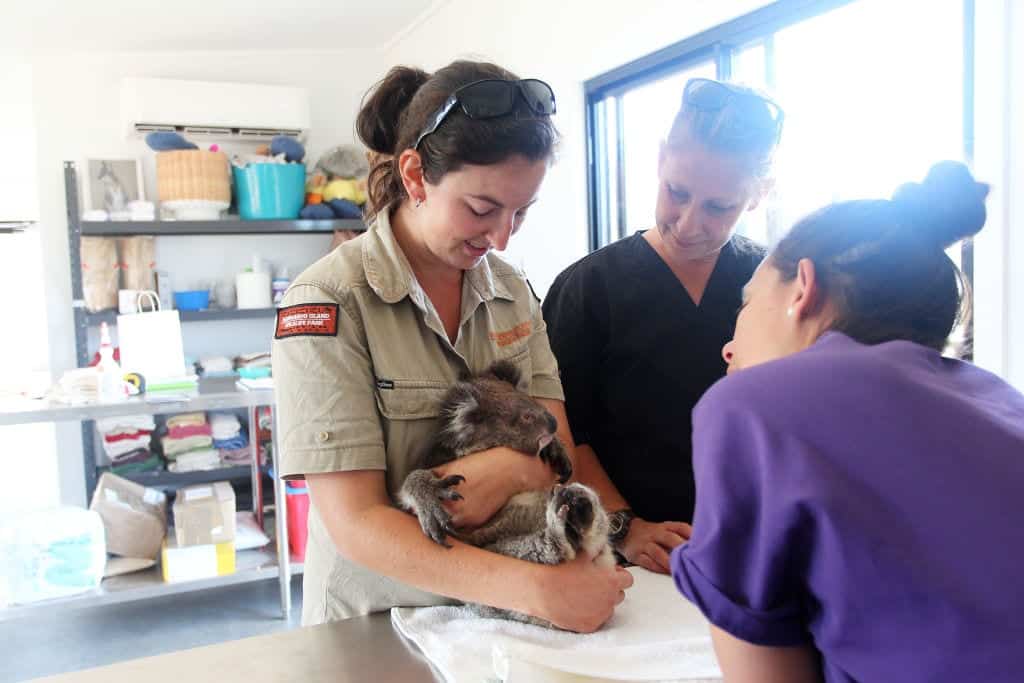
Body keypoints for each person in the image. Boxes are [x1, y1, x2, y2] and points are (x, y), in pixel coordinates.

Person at [271, 60, 632, 629]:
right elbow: (357, 522)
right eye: (482, 209)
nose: (502, 236)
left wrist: (505, 474)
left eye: (521, 212)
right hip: (376, 623)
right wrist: (536, 584)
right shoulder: (329, 302)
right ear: (415, 175)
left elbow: (557, 454)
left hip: (499, 620)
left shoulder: (512, 291)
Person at [672, 161, 1024, 682]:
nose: (730, 346)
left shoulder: (752, 406)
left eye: (745, 306)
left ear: (802, 289)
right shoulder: (1000, 402)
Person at [542, 78, 783, 573]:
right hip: (626, 555)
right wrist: (624, 527)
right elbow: (564, 433)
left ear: (759, 195)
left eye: (719, 207)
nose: (689, 223)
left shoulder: (773, 284)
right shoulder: (588, 289)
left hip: (751, 547)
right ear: (658, 162)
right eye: (677, 192)